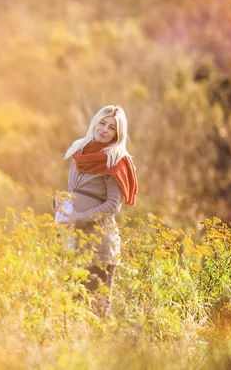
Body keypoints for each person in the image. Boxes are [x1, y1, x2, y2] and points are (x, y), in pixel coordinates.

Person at [61, 105, 138, 317]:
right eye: (102, 123)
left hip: (99, 244)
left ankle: (109, 348)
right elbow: (73, 191)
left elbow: (113, 205)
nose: (104, 130)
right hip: (76, 241)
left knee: (99, 308)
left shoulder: (114, 159)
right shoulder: (80, 150)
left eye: (111, 128)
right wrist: (62, 207)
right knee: (73, 304)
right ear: (95, 122)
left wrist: (80, 217)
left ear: (117, 134)